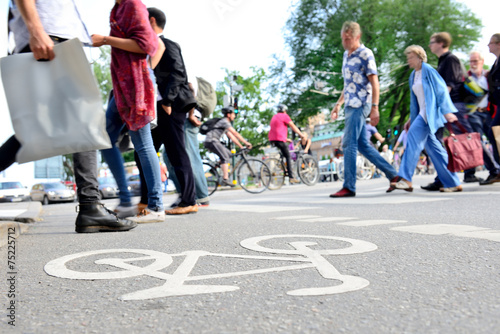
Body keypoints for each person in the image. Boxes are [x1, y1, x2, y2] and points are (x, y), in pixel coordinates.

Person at [0, 0, 136, 233]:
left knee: (35, 133)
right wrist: (36, 30)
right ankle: (90, 206)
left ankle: (90, 207)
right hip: (50, 39)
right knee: (85, 122)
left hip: (52, 38)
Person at [91, 0, 166, 223]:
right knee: (104, 139)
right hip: (120, 86)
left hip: (135, 85)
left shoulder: (133, 5)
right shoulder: (118, 8)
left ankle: (155, 207)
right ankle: (125, 200)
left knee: (143, 144)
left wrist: (105, 40)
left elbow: (150, 46)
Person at [135, 7, 199, 216]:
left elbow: (179, 73)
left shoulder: (167, 44)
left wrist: (168, 101)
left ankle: (189, 200)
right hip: (155, 110)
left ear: (151, 21)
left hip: (169, 108)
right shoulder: (148, 47)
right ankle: (147, 201)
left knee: (176, 153)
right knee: (142, 152)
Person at [329, 21, 398, 198]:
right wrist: (338, 104)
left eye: (348, 39)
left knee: (348, 142)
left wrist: (375, 107)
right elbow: (348, 85)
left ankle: (349, 186)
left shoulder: (366, 54)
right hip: (350, 103)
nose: (345, 42)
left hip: (361, 103)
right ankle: (394, 175)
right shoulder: (346, 55)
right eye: (343, 39)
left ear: (357, 37)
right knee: (362, 145)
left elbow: (375, 82)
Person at [390, 45, 462, 192]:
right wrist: (411, 118)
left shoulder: (428, 70)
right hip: (421, 114)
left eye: (411, 57)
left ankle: (406, 179)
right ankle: (453, 182)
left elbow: (441, 89)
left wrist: (446, 111)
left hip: (429, 114)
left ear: (419, 57)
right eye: (408, 57)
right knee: (434, 149)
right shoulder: (413, 75)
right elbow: (415, 100)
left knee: (412, 140)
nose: (408, 60)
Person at [423, 32, 481, 189]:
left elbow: (449, 85)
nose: (430, 45)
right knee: (437, 140)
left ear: (441, 43)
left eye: (432, 42)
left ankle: (493, 169)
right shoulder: (442, 60)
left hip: (453, 105)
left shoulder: (450, 59)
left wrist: (439, 105)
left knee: (467, 138)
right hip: (446, 105)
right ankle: (441, 178)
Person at [160, 83, 210, 208]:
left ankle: (201, 197)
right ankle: (185, 195)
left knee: (189, 157)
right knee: (169, 158)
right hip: (174, 119)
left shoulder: (179, 66)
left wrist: (191, 114)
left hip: (187, 118)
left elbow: (190, 89)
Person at [467, 50, 500, 185]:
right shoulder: (466, 77)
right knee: (477, 141)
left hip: (488, 112)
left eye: (475, 61)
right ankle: (493, 170)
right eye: (471, 61)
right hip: (473, 112)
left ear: (482, 62)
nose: (473, 64)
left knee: (495, 138)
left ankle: (497, 169)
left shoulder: (488, 76)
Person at [203, 107, 252, 186]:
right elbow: (235, 133)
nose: (234, 116)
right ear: (228, 115)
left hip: (212, 141)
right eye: (233, 114)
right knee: (225, 157)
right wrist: (246, 143)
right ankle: (225, 179)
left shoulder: (223, 124)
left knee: (229, 154)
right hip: (211, 141)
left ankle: (214, 168)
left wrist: (241, 146)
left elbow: (232, 137)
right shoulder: (225, 122)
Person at [269, 104, 305, 184]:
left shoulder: (274, 117)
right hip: (280, 139)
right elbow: (293, 126)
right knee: (288, 156)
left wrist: (286, 139)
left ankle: (283, 168)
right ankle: (291, 177)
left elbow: (276, 130)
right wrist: (301, 134)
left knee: (283, 154)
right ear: (284, 110)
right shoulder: (284, 116)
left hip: (272, 139)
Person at [488, 34, 500, 169]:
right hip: (496, 104)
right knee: (493, 134)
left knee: (493, 133)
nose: (488, 46)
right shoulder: (496, 63)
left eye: (490, 43)